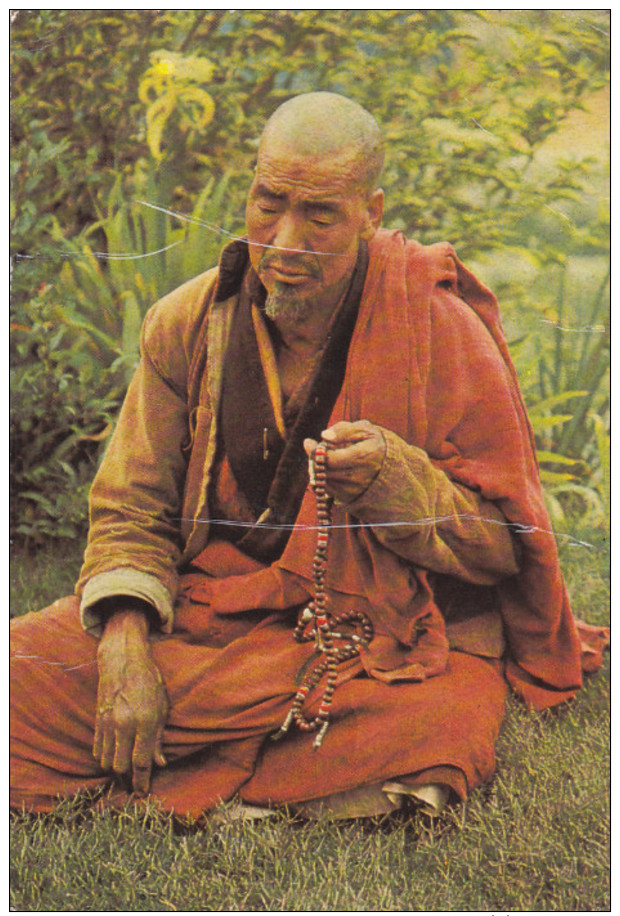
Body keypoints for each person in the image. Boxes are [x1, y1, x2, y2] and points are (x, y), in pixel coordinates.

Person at [10, 92, 607, 820]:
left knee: (438, 719)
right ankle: (300, 788)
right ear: (249, 192)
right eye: (269, 204)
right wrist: (126, 645)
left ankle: (206, 774)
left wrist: (403, 485)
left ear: (371, 212)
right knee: (21, 671)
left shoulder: (434, 326)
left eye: (319, 215)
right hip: (210, 617)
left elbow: (508, 549)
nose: (284, 241)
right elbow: (132, 504)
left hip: (373, 641)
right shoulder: (187, 324)